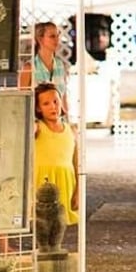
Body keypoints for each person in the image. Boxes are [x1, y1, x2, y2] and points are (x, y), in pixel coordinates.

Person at [33, 82, 80, 229]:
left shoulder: (72, 130)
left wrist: (78, 190)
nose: (53, 107)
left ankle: (53, 249)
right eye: (46, 104)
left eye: (55, 101)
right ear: (38, 108)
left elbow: (76, 162)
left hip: (65, 181)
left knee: (59, 224)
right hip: (41, 181)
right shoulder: (37, 127)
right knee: (41, 224)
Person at [19, 22, 70, 109]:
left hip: (57, 119)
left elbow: (63, 98)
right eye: (52, 36)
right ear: (40, 39)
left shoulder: (60, 65)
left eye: (58, 36)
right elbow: (20, 101)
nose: (57, 40)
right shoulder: (29, 68)